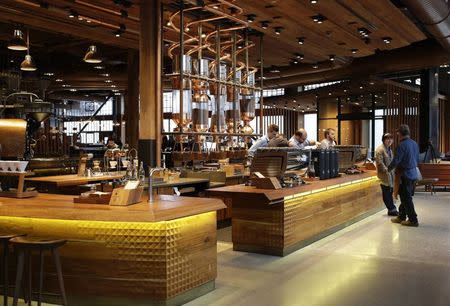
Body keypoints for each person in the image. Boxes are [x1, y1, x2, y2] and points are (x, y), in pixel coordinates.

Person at [388, 124, 420, 227]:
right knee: (405, 196)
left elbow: (396, 160)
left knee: (406, 198)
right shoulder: (414, 143)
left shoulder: (401, 145)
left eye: (398, 133)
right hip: (414, 174)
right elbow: (417, 159)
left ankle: (413, 220)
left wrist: (388, 168)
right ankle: (401, 216)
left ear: (400, 133)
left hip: (405, 174)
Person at [375, 133, 398, 216]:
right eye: (387, 139)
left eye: (391, 139)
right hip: (384, 175)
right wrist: (387, 170)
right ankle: (391, 209)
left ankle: (392, 209)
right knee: (386, 193)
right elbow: (380, 163)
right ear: (383, 140)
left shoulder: (389, 149)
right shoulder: (380, 149)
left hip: (390, 174)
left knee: (389, 191)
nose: (389, 141)